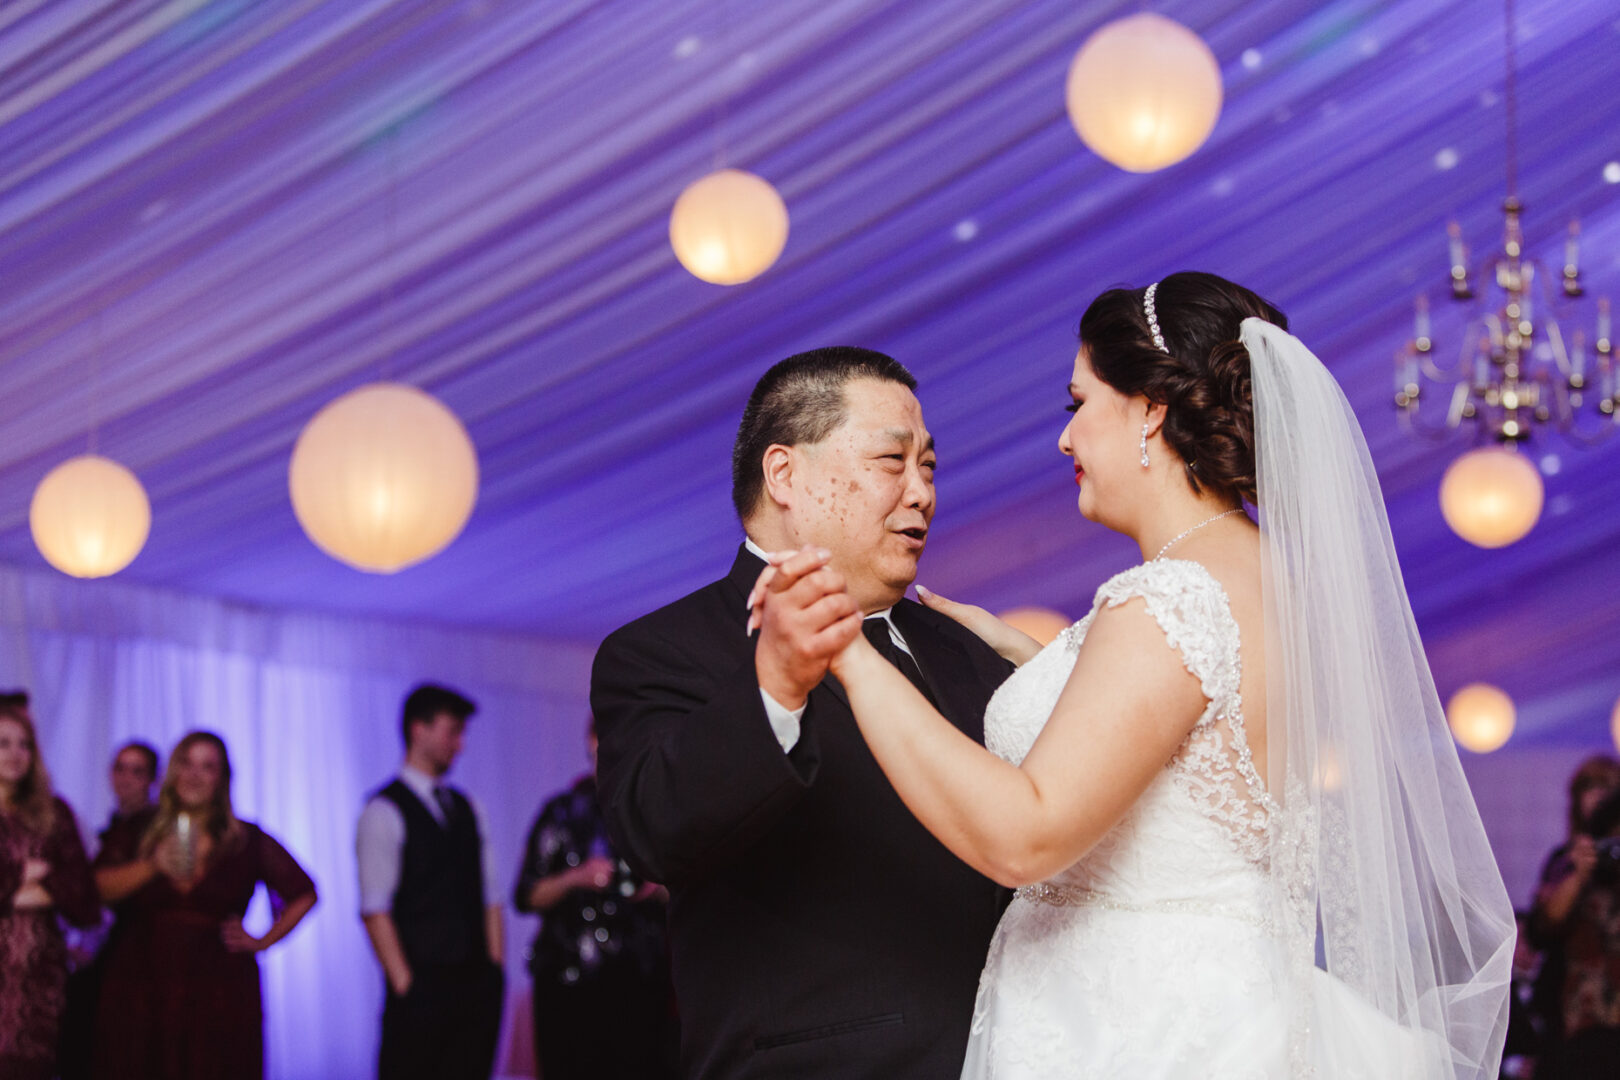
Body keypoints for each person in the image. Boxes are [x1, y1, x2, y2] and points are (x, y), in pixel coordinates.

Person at [751, 273, 1515, 1077]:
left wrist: (848, 654)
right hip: (1231, 1007)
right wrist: (1052, 668)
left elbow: (1025, 837)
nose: (1066, 439)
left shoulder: (1169, 599)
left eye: (1078, 403)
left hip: (1133, 1029)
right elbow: (1196, 758)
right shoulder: (1266, 577)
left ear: (1150, 408)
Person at [592, 346, 1014, 1078]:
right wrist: (776, 686)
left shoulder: (964, 648)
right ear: (784, 474)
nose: (921, 494)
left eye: (931, 467)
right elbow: (654, 832)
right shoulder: (663, 650)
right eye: (893, 461)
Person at [92, 731, 318, 1080]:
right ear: (173, 771)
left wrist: (263, 939)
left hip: (219, 992)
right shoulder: (139, 829)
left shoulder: (245, 839)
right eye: (187, 763)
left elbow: (304, 893)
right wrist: (152, 865)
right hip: (142, 985)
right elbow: (96, 887)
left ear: (221, 777)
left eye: (207, 766)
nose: (195, 775)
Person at [514, 715, 676, 1079]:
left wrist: (654, 888)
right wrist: (577, 877)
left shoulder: (653, 813)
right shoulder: (562, 812)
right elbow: (526, 894)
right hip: (572, 982)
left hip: (640, 980)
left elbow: (688, 890)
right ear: (592, 742)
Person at [357, 683, 505, 1080]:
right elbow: (374, 908)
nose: (460, 744)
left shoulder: (469, 806)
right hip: (421, 989)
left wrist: (494, 972)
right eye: (453, 731)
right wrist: (407, 985)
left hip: (475, 988)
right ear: (418, 730)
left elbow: (490, 895)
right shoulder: (383, 809)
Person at [0, 702, 101, 1080]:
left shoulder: (55, 814)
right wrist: (25, 875)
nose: (14, 754)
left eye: (23, 744)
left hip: (38, 979)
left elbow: (85, 898)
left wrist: (13, 884)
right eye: (4, 743)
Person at [60, 740, 162, 1080]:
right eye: (120, 768)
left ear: (153, 779)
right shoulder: (107, 834)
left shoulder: (160, 832)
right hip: (103, 964)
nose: (126, 778)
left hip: (143, 964)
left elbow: (96, 892)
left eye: (137, 770)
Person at [1529, 754, 1620, 1078]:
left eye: (1609, 787)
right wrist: (1579, 874)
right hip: (1574, 1017)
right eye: (1590, 787)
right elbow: (1541, 931)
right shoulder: (1563, 860)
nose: (1599, 796)